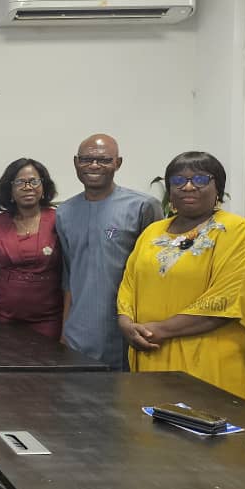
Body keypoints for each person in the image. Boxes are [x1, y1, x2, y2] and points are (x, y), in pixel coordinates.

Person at [118, 152, 245, 406]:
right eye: (178, 180)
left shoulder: (237, 231)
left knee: (208, 436)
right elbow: (129, 283)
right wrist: (125, 323)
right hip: (151, 353)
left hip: (210, 360)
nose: (188, 186)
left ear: (218, 188)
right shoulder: (152, 231)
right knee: (151, 436)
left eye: (201, 179)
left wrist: (157, 330)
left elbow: (228, 299)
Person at [56, 134, 163, 370]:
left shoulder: (143, 207)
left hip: (127, 331)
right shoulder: (64, 212)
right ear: (76, 162)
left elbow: (157, 273)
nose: (94, 166)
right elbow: (69, 276)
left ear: (118, 163)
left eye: (104, 160)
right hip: (78, 333)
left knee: (123, 400)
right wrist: (65, 330)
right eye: (86, 159)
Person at [0, 158, 63, 339]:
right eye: (20, 182)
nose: (28, 187)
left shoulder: (59, 220)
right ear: (9, 189)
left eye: (34, 181)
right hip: (6, 322)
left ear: (43, 187)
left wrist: (66, 327)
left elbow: (70, 276)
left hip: (50, 321)